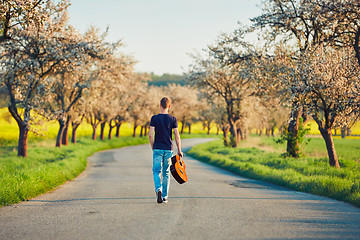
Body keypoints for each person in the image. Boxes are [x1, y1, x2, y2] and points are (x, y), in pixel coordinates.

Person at [148, 97, 183, 204]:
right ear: (169, 106)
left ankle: (158, 189)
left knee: (156, 171)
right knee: (166, 172)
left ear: (160, 105)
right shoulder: (173, 119)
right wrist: (179, 150)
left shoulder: (154, 118)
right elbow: (177, 136)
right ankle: (165, 196)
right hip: (168, 149)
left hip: (157, 148)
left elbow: (150, 135)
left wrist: (153, 147)